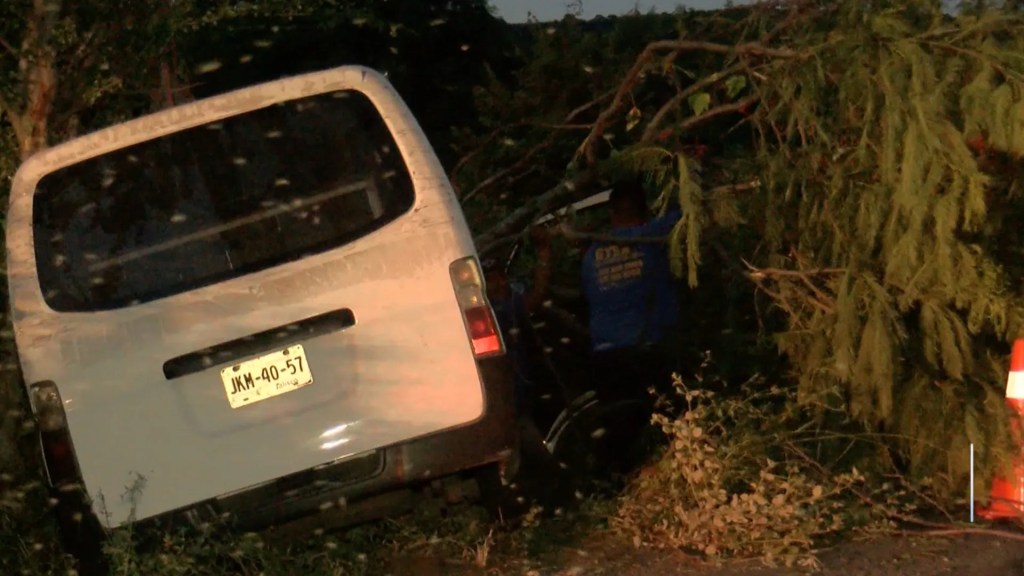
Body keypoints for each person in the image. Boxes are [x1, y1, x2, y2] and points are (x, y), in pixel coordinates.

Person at [577, 175, 683, 478]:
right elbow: (688, 213)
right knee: (669, 426)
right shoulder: (652, 234)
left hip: (605, 358)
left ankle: (619, 487)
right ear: (646, 210)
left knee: (619, 436)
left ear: (612, 213)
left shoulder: (592, 255)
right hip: (646, 352)